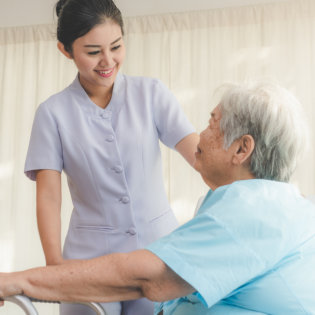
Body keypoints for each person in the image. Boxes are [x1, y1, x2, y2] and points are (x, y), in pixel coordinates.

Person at [1, 81, 315, 314]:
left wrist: (16, 281)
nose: (200, 134)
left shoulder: (254, 212)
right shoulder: (264, 202)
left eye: (211, 123)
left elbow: (145, 278)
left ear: (242, 149)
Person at [23, 0, 199, 314]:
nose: (108, 61)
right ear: (65, 50)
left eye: (116, 47)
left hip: (158, 253)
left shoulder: (151, 93)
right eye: (93, 52)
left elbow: (199, 155)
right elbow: (49, 196)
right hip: (87, 259)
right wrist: (55, 268)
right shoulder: (52, 113)